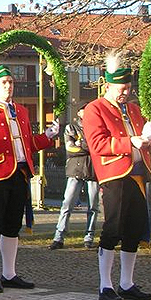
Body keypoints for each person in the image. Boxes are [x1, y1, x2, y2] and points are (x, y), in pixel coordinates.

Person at [0, 61, 57, 292]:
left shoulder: (21, 111)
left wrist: (47, 136)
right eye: (3, 82)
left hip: (20, 172)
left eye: (11, 82)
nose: (8, 86)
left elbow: (28, 145)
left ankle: (9, 272)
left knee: (12, 225)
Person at [83, 51, 151, 300]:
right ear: (108, 84)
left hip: (138, 173)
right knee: (113, 228)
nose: (125, 91)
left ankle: (126, 283)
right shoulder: (95, 109)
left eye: (128, 87)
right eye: (120, 87)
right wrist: (130, 142)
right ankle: (105, 284)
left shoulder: (134, 109)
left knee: (134, 229)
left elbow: (146, 140)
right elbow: (97, 143)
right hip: (114, 173)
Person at [50, 105, 99, 250]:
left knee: (93, 206)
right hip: (75, 170)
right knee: (67, 204)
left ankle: (89, 236)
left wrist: (82, 144)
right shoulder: (71, 127)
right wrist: (87, 145)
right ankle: (59, 236)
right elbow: (71, 149)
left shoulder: (95, 128)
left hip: (92, 170)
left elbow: (98, 147)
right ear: (79, 113)